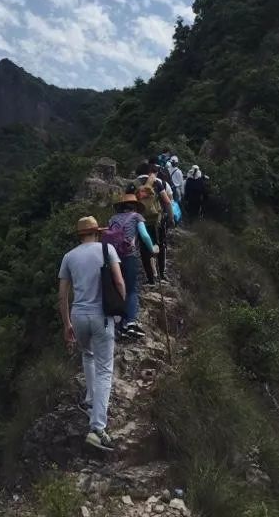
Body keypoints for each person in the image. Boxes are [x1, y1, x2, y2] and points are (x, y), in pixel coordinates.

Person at [58, 215, 126, 452]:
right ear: (97, 232)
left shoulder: (69, 257)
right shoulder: (107, 250)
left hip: (78, 316)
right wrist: (121, 308)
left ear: (80, 235)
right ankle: (97, 427)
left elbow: (62, 295)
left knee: (87, 355)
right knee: (105, 369)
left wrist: (67, 324)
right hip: (101, 317)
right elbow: (118, 282)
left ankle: (89, 400)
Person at [107, 193, 159, 339]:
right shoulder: (137, 217)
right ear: (135, 206)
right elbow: (144, 235)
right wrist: (152, 249)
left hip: (113, 258)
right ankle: (131, 323)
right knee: (131, 289)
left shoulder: (112, 219)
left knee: (118, 289)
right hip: (130, 256)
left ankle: (119, 324)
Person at [135, 160, 174, 285]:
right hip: (157, 221)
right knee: (161, 246)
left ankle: (150, 278)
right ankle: (162, 274)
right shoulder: (157, 183)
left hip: (141, 222)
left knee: (144, 249)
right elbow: (167, 202)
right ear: (149, 172)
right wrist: (171, 217)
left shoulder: (133, 184)